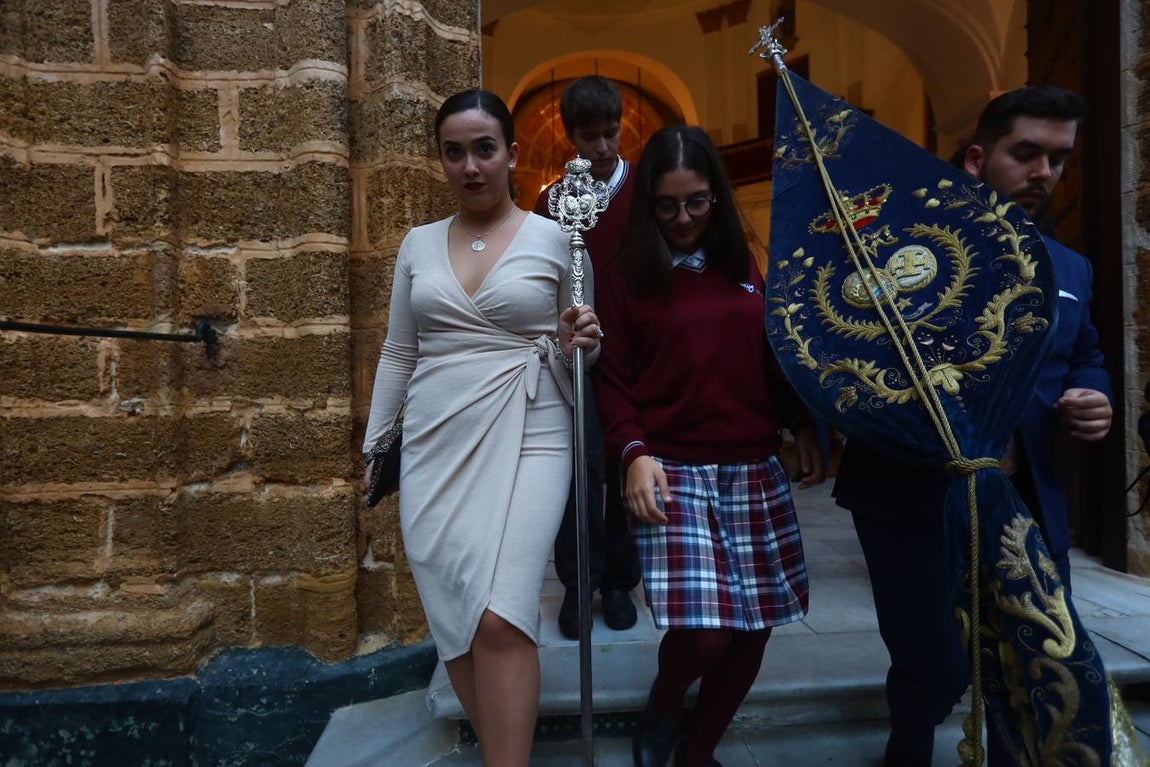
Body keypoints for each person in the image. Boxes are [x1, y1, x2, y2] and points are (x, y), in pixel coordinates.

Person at [833, 85, 1113, 766]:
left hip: (1026, 506)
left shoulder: (1072, 269)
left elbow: (1086, 354)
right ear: (977, 158)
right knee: (935, 665)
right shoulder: (901, 253)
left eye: (1059, 159)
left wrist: (1093, 394)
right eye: (1027, 153)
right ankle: (907, 748)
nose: (1044, 172)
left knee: (1036, 664)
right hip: (911, 501)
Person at [362, 89, 603, 767]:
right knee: (457, 612)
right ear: (441, 159)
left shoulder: (558, 239)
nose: (470, 166)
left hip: (533, 426)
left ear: (512, 154)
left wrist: (583, 341)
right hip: (435, 437)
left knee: (500, 614)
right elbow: (399, 351)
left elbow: (585, 352)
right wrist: (377, 443)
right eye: (454, 152)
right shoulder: (416, 244)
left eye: (484, 149)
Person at [592, 124, 824, 767]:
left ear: (715, 196)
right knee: (706, 636)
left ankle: (698, 752)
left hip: (752, 466)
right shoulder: (625, 278)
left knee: (754, 629)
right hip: (670, 468)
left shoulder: (742, 266)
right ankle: (666, 699)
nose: (683, 218)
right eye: (666, 205)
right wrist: (633, 451)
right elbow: (613, 382)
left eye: (696, 201)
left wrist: (803, 421)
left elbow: (773, 358)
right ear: (648, 205)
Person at [534, 75, 641, 640]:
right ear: (569, 137)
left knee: (626, 469)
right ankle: (578, 583)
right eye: (590, 137)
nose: (603, 147)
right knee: (576, 474)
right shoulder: (550, 202)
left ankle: (620, 582)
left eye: (611, 133)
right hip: (574, 359)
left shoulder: (641, 191)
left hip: (634, 358)